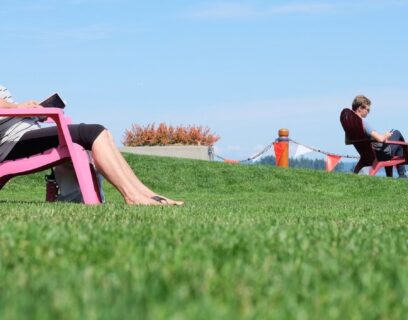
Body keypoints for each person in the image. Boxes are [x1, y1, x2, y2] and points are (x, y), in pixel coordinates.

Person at [0, 84, 183, 205]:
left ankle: (146, 194)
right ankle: (132, 196)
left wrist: (33, 111)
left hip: (24, 132)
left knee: (104, 135)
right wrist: (16, 108)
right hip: (11, 143)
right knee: (93, 132)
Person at [352, 95, 407, 178]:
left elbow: (348, 141)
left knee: (398, 146)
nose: (368, 112)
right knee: (397, 133)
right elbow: (380, 139)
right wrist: (386, 135)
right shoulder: (363, 124)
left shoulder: (352, 125)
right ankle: (402, 175)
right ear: (360, 108)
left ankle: (399, 176)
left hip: (366, 153)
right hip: (381, 153)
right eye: (367, 109)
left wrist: (381, 137)